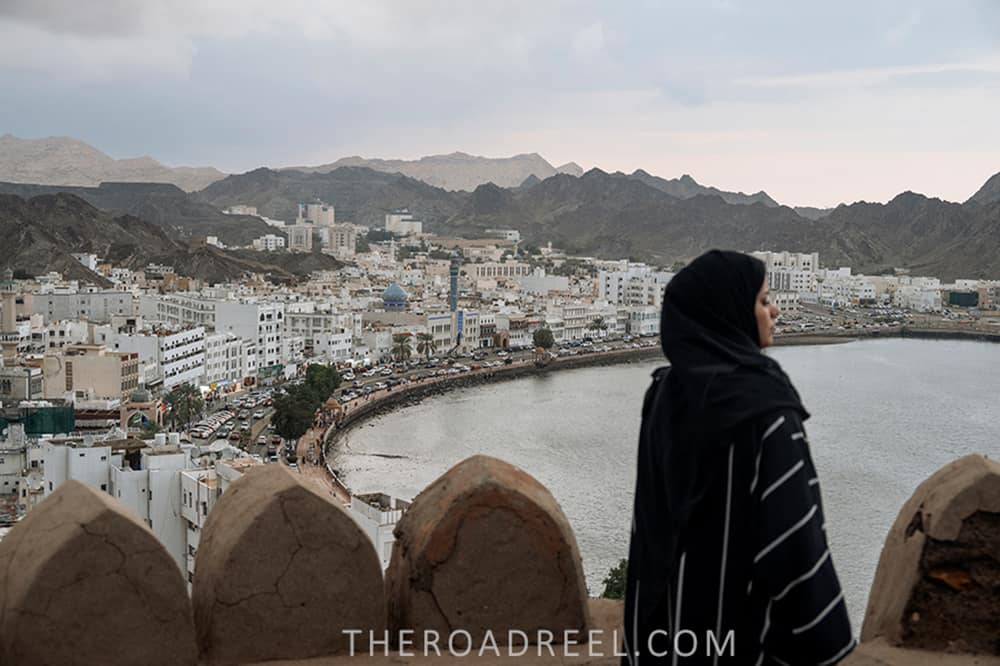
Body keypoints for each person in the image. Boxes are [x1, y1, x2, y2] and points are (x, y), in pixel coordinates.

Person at [622, 250, 853, 665]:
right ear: (729, 314)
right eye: (764, 301)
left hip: (662, 639)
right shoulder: (767, 415)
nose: (775, 310)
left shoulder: (662, 395)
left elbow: (647, 529)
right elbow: (797, 549)